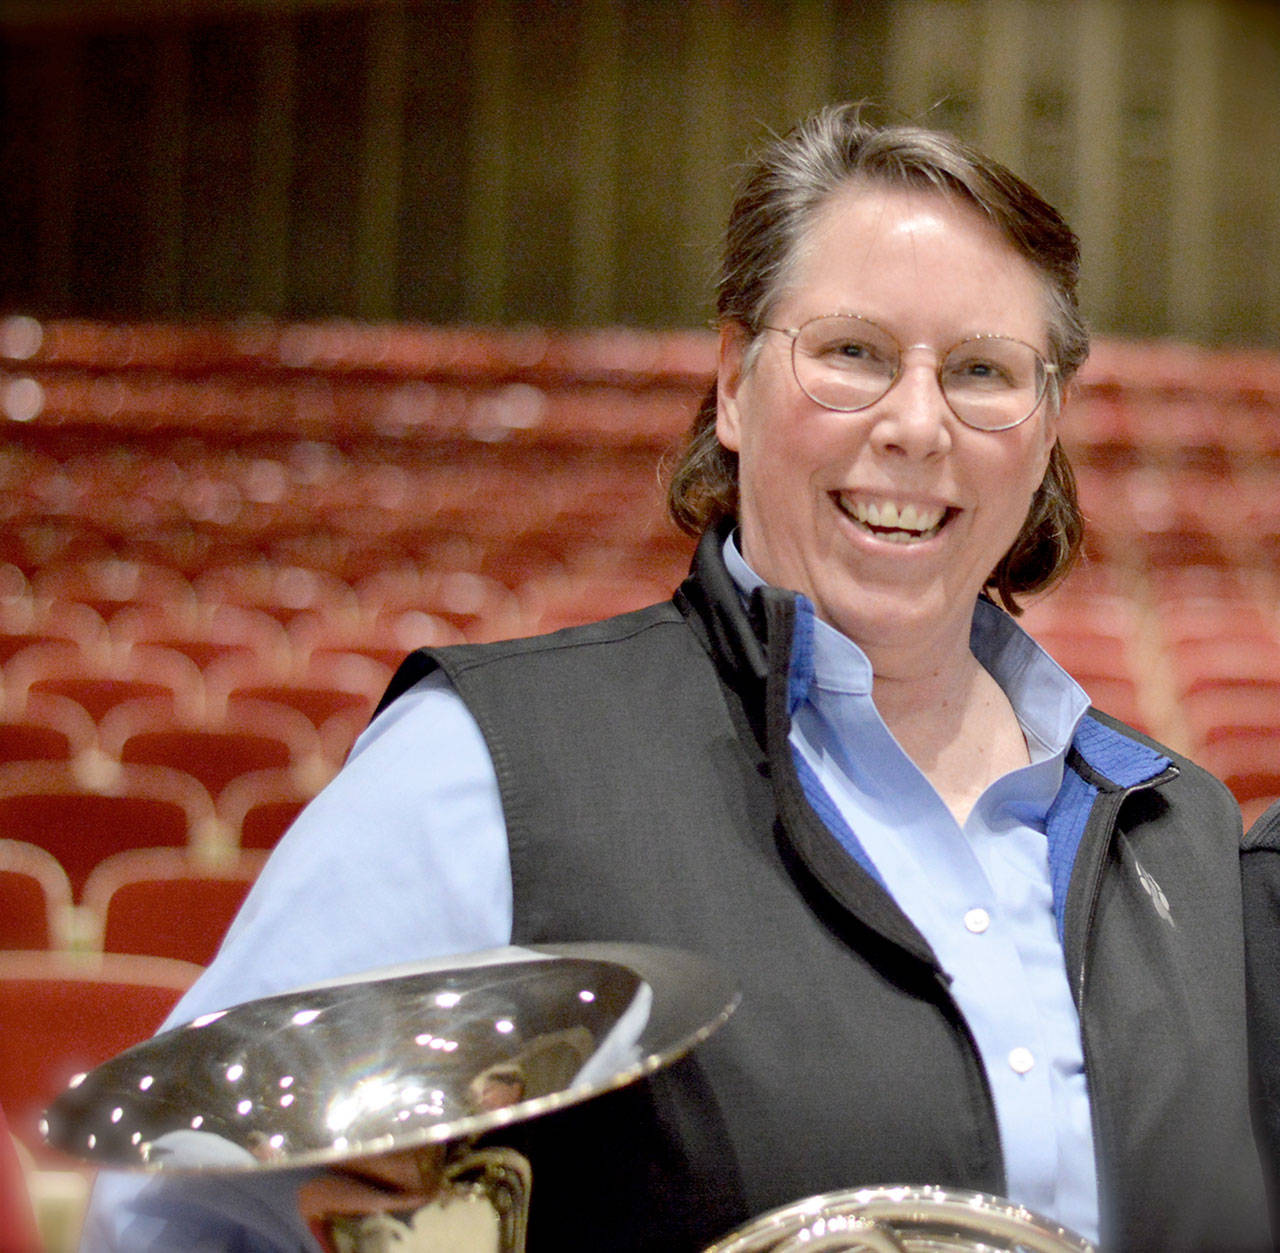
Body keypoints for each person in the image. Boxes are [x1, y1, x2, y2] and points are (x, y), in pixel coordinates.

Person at [83, 103, 1268, 1251]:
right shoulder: (485, 770)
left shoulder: (1177, 833)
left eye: (980, 372)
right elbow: (180, 1209)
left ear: (1047, 420)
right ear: (732, 382)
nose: (916, 423)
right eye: (851, 353)